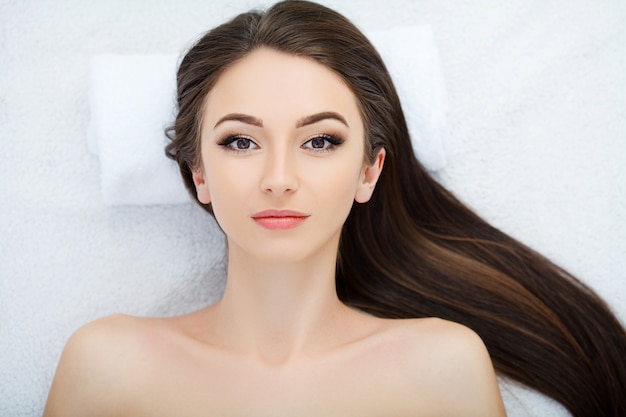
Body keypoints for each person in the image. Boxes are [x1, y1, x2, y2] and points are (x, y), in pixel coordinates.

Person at [44, 1, 625, 416]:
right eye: (240, 142)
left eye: (320, 141)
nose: (278, 179)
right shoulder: (106, 363)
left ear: (368, 171)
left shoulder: (443, 366)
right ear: (199, 174)